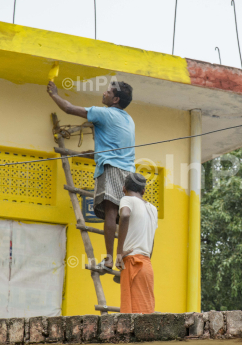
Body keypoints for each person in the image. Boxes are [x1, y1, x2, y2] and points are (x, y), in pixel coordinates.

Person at [47, 80, 135, 271]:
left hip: (111, 168)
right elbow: (112, 145)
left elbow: (69, 108)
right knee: (124, 214)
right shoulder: (129, 120)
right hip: (129, 173)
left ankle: (110, 259)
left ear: (115, 99)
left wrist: (54, 94)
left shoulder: (104, 113)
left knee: (111, 213)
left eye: (108, 92)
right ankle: (120, 258)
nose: (104, 93)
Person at [114, 173, 158, 314]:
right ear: (143, 191)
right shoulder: (153, 209)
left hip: (132, 263)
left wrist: (119, 252)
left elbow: (125, 215)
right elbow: (152, 240)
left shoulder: (127, 199)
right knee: (144, 312)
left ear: (123, 188)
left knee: (130, 317)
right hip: (146, 264)